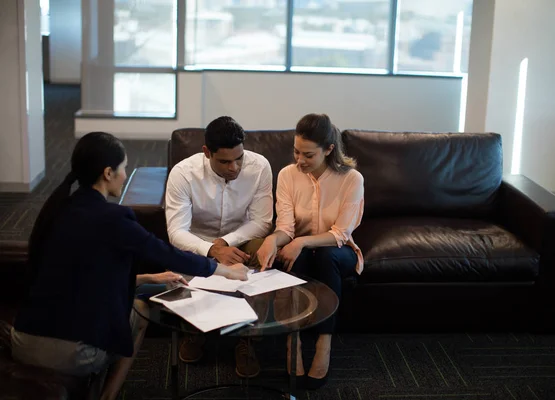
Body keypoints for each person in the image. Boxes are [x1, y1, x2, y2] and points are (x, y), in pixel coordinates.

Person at [11, 132, 249, 400]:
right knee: (140, 310)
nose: (126, 176)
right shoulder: (114, 218)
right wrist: (224, 270)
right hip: (72, 352)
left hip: (22, 339)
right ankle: (108, 395)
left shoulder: (57, 209)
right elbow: (167, 253)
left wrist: (147, 278)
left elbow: (84, 275)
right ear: (108, 173)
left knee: (127, 300)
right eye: (124, 168)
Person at [256, 113, 364, 390]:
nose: (299, 161)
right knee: (298, 257)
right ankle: (294, 341)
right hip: (299, 249)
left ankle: (323, 344)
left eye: (308, 155)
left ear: (329, 150)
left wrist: (302, 241)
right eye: (296, 152)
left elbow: (341, 233)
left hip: (338, 250)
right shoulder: (287, 175)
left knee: (324, 256)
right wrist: (274, 240)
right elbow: (286, 227)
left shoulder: (351, 179)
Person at [165, 116, 273, 376]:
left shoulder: (259, 167)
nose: (234, 167)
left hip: (241, 239)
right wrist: (212, 250)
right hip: (197, 242)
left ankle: (247, 339)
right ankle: (194, 332)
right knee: (180, 253)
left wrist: (226, 243)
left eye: (239, 158)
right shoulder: (183, 174)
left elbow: (262, 221)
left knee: (262, 247)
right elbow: (176, 231)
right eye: (224, 161)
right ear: (206, 152)